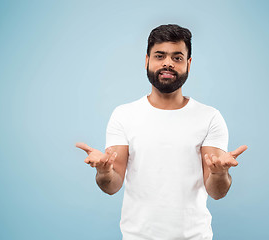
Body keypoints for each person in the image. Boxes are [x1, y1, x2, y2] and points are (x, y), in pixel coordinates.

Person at [76, 24, 248, 240]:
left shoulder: (210, 117)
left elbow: (216, 191)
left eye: (177, 57)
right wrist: (103, 171)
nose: (168, 62)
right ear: (147, 60)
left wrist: (219, 173)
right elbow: (112, 186)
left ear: (188, 64)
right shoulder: (124, 115)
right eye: (160, 56)